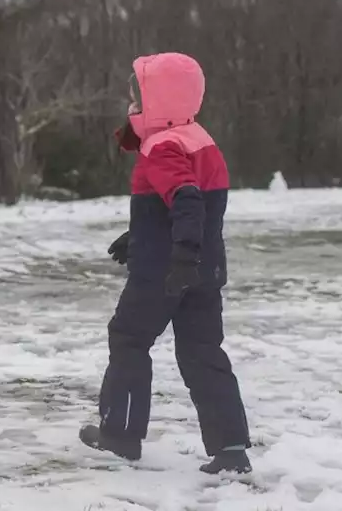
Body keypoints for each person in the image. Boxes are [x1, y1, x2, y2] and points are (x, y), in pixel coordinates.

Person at [79, 52, 252, 474]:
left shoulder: (161, 145)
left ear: (161, 100)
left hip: (166, 272)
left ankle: (119, 435)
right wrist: (140, 235)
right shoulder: (200, 138)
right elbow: (181, 207)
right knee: (202, 351)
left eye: (138, 96)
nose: (131, 104)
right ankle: (230, 449)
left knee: (128, 338)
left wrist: (178, 257)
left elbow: (187, 201)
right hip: (205, 269)